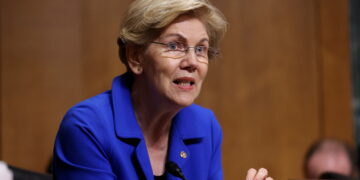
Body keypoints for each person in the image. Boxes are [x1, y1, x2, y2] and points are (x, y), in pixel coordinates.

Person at [53, 0, 273, 179]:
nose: (192, 62)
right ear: (136, 57)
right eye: (174, 46)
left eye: (200, 49)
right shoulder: (88, 127)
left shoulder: (205, 126)